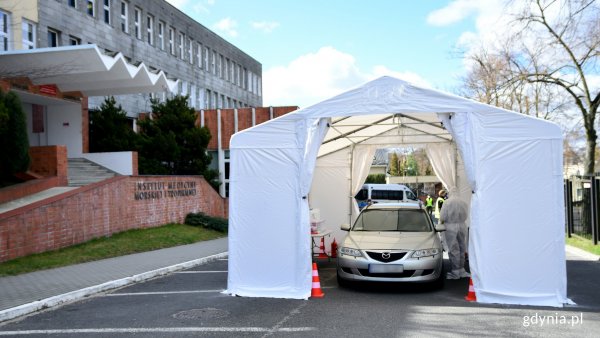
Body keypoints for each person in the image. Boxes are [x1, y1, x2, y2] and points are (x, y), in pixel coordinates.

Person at [439, 193, 470, 279]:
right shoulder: (463, 202)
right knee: (462, 248)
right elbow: (466, 215)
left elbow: (442, 216)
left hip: (450, 227)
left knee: (453, 249)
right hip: (462, 226)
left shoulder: (447, 202)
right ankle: (461, 270)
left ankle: (455, 272)